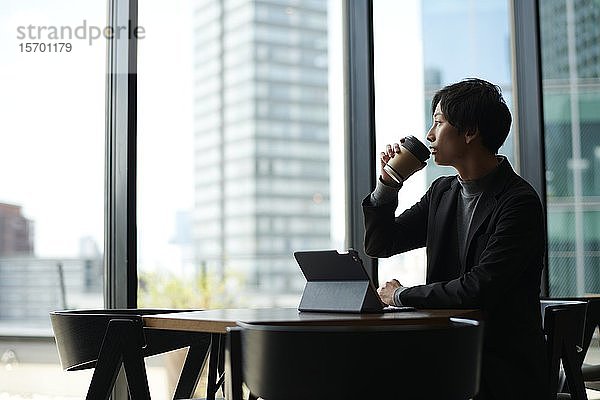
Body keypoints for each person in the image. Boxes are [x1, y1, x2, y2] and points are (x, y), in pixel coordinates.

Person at [362, 78, 548, 399]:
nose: (429, 136)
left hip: (498, 366)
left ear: (470, 131)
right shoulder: (442, 192)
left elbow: (478, 288)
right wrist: (389, 182)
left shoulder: (518, 202)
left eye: (438, 122)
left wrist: (401, 295)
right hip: (447, 351)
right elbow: (381, 244)